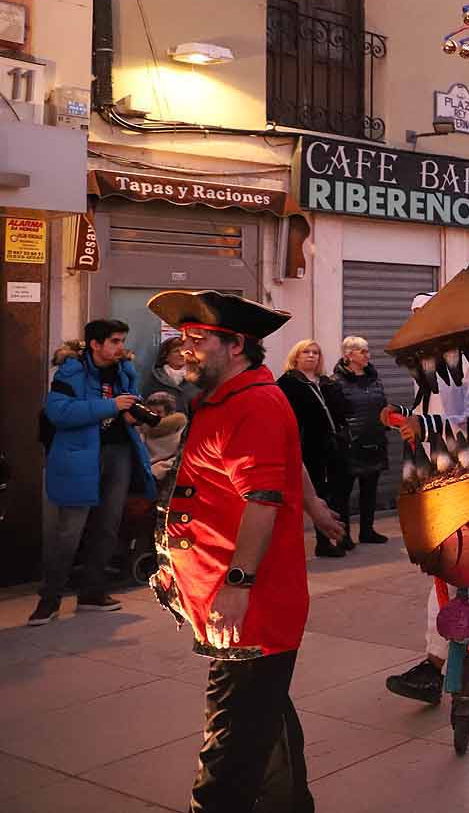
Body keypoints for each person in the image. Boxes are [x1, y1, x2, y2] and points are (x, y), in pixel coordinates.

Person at [145, 290, 345, 813]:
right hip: (227, 598)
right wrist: (318, 507)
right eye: (182, 338)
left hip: (249, 611)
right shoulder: (231, 397)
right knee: (264, 715)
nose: (183, 348)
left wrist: (238, 585)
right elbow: (287, 458)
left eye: (196, 339)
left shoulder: (251, 402)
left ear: (236, 345)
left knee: (231, 742)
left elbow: (262, 500)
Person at [385, 292, 469, 706]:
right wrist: (406, 416)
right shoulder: (428, 365)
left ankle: (435, 665)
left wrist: (422, 424)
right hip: (439, 477)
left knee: (456, 567)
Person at [29, 319, 158, 626]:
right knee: (68, 531)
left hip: (120, 453)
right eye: (113, 341)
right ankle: (49, 599)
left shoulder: (125, 371)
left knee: (108, 525)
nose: (120, 347)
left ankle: (93, 592)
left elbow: (129, 402)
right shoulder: (71, 371)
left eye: (122, 340)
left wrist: (131, 414)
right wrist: (111, 406)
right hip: (80, 456)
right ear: (95, 344)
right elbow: (58, 412)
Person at [278, 340, 350, 558]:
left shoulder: (325, 382)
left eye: (315, 352)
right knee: (316, 492)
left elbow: (341, 410)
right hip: (307, 447)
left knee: (338, 490)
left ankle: (340, 535)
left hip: (333, 446)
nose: (311, 356)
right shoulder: (288, 383)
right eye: (306, 352)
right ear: (296, 356)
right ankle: (323, 542)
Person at [330, 336, 389, 546]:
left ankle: (367, 531)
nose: (368, 355)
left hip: (374, 439)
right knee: (343, 493)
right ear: (349, 355)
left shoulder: (374, 378)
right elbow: (335, 414)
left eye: (367, 351)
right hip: (350, 444)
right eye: (362, 352)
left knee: (369, 489)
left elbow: (382, 404)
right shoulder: (336, 381)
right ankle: (342, 535)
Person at [142, 335, 200, 417]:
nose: (181, 354)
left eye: (184, 351)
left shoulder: (196, 378)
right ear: (166, 356)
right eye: (176, 351)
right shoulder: (156, 378)